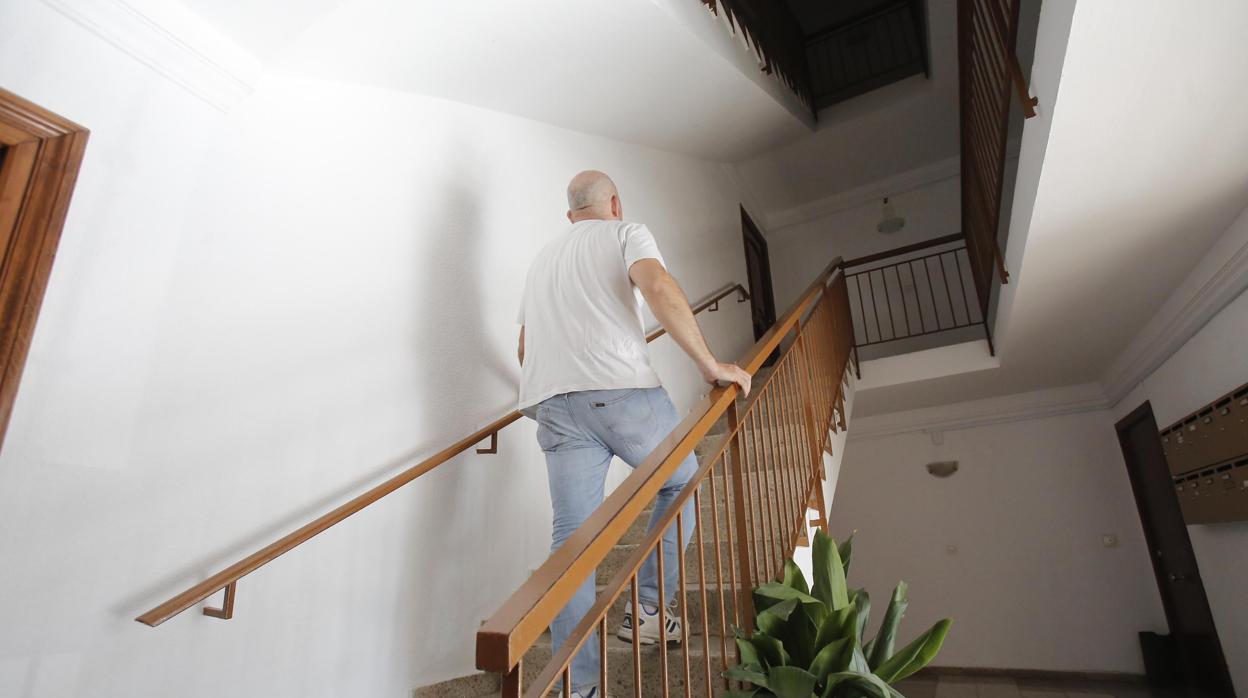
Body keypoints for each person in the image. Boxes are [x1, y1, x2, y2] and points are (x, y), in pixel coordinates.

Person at [515, 170, 751, 698]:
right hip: (619, 391)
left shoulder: (540, 264)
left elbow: (525, 349)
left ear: (569, 213)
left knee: (573, 542)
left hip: (554, 407)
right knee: (682, 480)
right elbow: (659, 286)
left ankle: (578, 689)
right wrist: (710, 364)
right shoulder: (625, 232)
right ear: (615, 203)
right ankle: (648, 607)